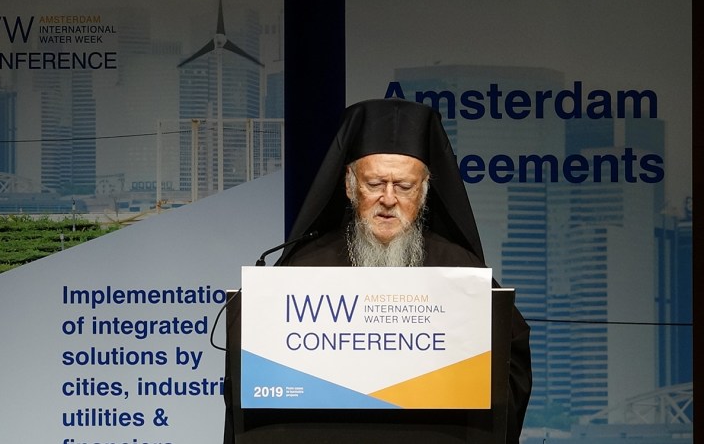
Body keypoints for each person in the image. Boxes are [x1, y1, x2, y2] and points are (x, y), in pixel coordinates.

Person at [224, 98, 532, 444]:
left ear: (424, 191)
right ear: (349, 185)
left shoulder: (460, 270)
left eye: (404, 187)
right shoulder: (305, 267)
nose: (388, 199)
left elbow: (510, 367)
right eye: (374, 184)